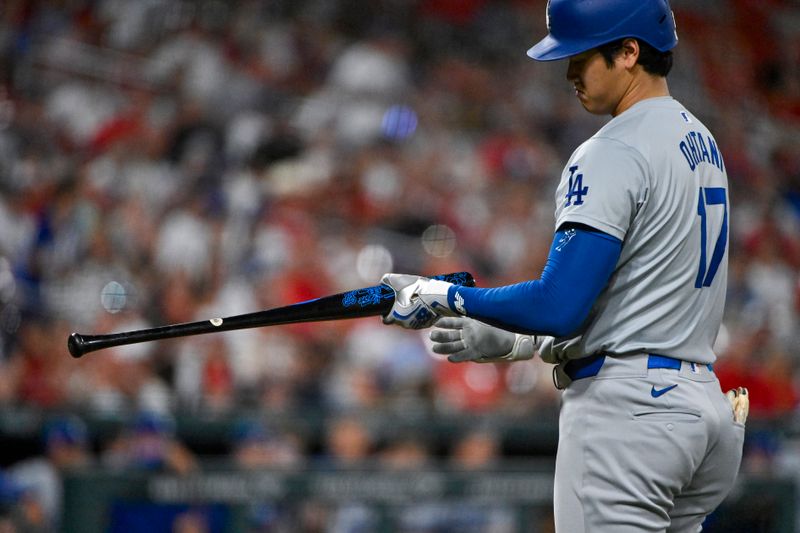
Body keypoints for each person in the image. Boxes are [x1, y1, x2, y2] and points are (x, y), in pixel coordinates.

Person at [381, 0, 749, 531]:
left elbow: (559, 305)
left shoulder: (613, 149)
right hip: (700, 411)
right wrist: (516, 342)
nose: (570, 72)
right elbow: (636, 293)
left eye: (582, 55)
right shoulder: (701, 141)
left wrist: (440, 294)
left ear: (628, 52)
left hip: (629, 419)